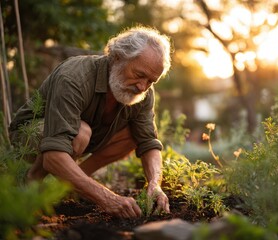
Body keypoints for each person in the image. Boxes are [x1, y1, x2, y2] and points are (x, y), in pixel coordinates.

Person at [9, 26, 171, 218]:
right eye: (139, 75)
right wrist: (106, 198)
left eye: (151, 81)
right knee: (81, 132)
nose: (142, 87)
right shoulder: (74, 77)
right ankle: (32, 183)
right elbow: (53, 155)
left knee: (132, 135)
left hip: (81, 137)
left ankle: (69, 184)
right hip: (31, 135)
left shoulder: (143, 93)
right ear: (118, 57)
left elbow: (149, 143)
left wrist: (154, 183)